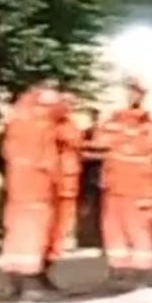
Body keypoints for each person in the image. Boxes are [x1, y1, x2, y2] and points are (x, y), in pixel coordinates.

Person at [0, 80, 65, 300]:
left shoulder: (16, 121)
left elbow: (3, 155)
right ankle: (30, 283)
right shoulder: (44, 125)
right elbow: (51, 155)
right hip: (38, 187)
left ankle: (13, 282)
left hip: (17, 187)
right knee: (33, 234)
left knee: (16, 233)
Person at [96, 77, 152, 286]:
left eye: (136, 92)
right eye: (129, 91)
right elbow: (100, 142)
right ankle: (118, 269)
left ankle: (140, 273)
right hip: (115, 184)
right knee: (114, 228)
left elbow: (149, 146)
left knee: (138, 230)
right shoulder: (113, 122)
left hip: (139, 188)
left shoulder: (149, 126)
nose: (131, 96)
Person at [53, 92, 83, 256]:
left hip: (68, 171)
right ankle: (60, 240)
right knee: (59, 208)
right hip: (60, 171)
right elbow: (74, 140)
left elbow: (76, 142)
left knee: (67, 208)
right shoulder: (58, 124)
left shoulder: (69, 124)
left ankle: (66, 238)